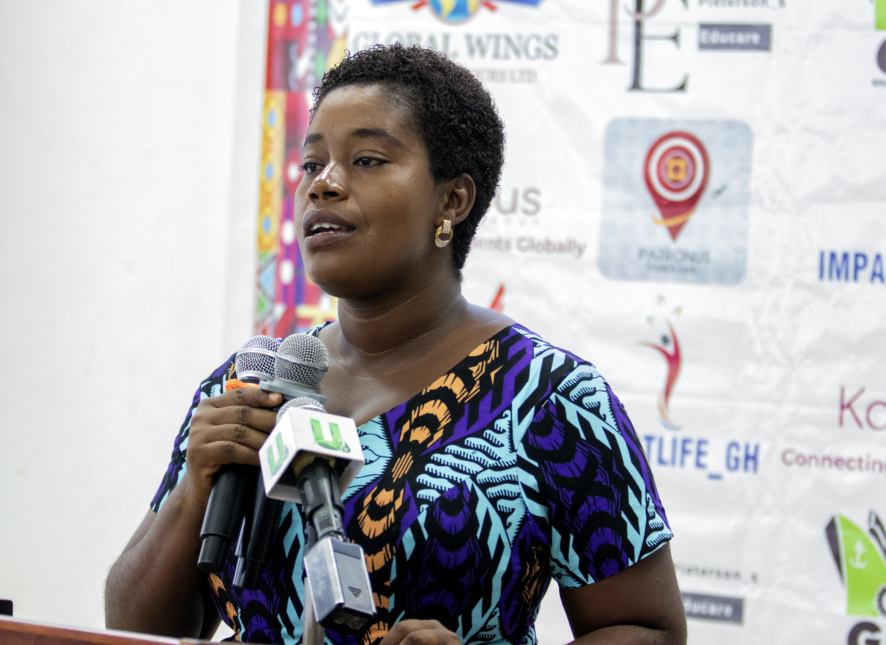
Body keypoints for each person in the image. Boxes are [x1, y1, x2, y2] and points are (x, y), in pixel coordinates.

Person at [104, 44, 687, 645]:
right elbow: (132, 629)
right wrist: (193, 491)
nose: (324, 185)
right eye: (312, 164)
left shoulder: (550, 398)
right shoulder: (250, 384)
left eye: (366, 160)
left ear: (452, 200)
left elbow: (649, 630)